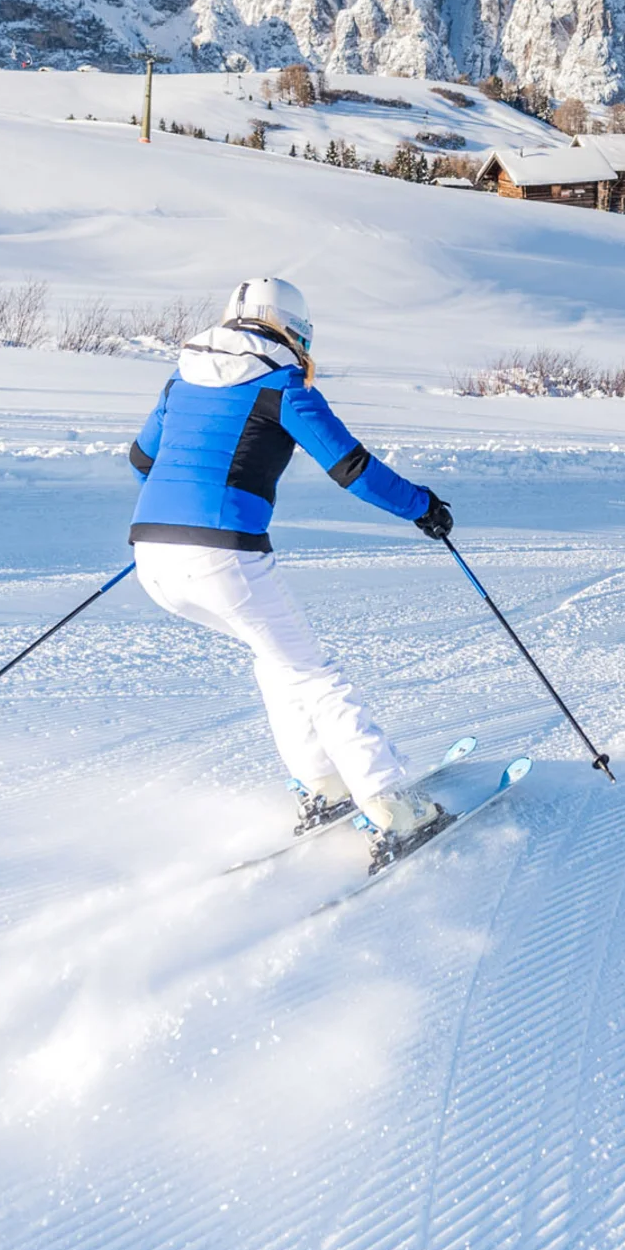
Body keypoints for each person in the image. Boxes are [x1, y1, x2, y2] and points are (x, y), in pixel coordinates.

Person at [127, 276, 455, 849]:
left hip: (153, 555)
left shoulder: (181, 379)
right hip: (221, 558)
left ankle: (323, 784)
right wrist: (422, 506)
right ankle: (391, 802)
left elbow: (141, 460)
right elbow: (352, 468)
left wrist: (179, 516)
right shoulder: (281, 385)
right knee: (317, 676)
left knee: (277, 660)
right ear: (295, 332)